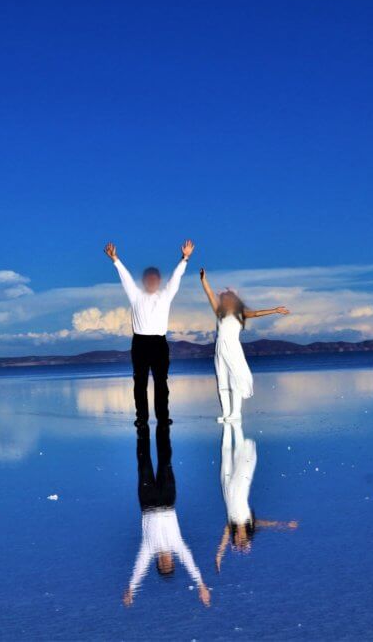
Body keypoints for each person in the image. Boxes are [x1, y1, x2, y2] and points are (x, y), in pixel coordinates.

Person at [104, 239, 194, 426]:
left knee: (161, 382)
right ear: (144, 281)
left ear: (159, 281)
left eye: (155, 279)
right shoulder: (136, 296)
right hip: (140, 344)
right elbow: (126, 278)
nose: (152, 281)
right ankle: (141, 418)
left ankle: (162, 417)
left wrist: (184, 258)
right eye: (149, 279)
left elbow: (176, 279)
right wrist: (115, 260)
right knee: (140, 383)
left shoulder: (165, 295)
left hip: (159, 344)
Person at [123, 423, 210, 608]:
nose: (165, 560)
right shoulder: (177, 546)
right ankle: (163, 427)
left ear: (157, 563)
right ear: (172, 561)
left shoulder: (149, 550)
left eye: (163, 565)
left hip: (148, 502)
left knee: (144, 461)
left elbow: (140, 567)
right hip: (167, 500)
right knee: (165, 460)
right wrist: (201, 584)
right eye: (169, 563)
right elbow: (189, 562)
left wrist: (131, 587)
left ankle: (142, 429)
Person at [198, 268, 290, 421]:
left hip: (233, 348)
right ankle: (226, 413)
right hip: (220, 348)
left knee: (234, 378)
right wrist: (203, 280)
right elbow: (209, 294)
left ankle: (236, 413)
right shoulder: (219, 312)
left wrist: (275, 310)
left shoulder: (241, 313)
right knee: (222, 379)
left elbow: (257, 313)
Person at [214, 419, 298, 571]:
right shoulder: (252, 523)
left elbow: (223, 542)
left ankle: (227, 427)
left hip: (228, 490)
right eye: (242, 540)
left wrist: (219, 556)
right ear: (247, 536)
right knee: (241, 461)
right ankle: (236, 426)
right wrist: (286, 525)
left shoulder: (230, 526)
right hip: (239, 489)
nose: (239, 538)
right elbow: (270, 524)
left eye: (238, 541)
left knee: (226, 455)